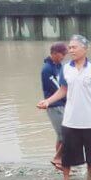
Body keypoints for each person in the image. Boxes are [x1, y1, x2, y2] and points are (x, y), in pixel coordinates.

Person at [37, 35, 91, 180]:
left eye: (74, 47)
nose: (70, 50)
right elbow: (62, 90)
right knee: (68, 154)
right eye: (69, 48)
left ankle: (90, 179)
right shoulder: (66, 68)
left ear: (85, 49)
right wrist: (48, 101)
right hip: (70, 119)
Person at [40, 42, 68, 171]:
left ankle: (60, 164)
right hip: (54, 106)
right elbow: (58, 87)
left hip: (61, 104)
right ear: (55, 53)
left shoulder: (58, 65)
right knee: (66, 134)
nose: (64, 56)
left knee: (60, 136)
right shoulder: (47, 69)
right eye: (62, 54)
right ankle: (58, 159)